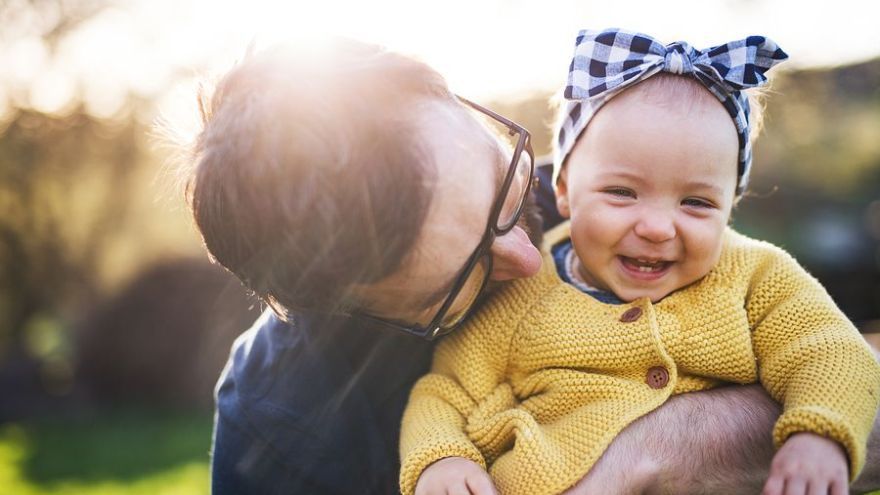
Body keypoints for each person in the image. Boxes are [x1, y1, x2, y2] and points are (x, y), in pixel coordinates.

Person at [183, 38, 880, 495]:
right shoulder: (281, 431)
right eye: (460, 279)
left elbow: (828, 354)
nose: (527, 253)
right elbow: (445, 403)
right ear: (344, 306)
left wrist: (645, 455)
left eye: (507, 185)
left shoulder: (622, 191)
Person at [400, 29, 880, 495]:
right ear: (564, 190)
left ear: (731, 205)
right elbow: (445, 393)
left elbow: (828, 350)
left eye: (696, 202)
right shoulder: (522, 293)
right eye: (622, 192)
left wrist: (819, 433)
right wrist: (443, 458)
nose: (657, 227)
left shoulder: (757, 277)